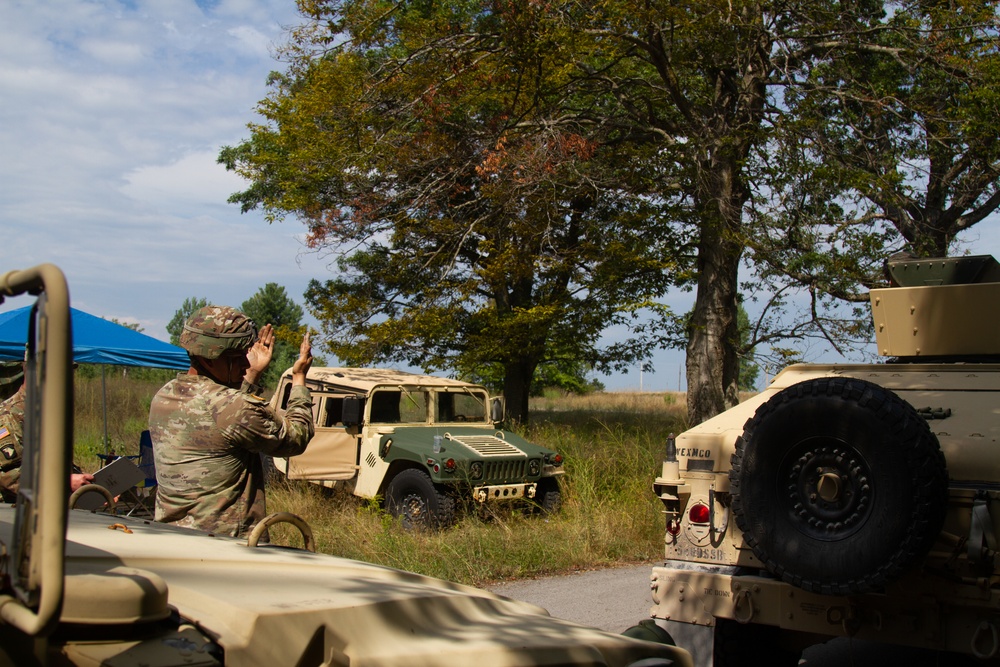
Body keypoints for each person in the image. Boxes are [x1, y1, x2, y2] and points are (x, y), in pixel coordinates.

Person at [149, 305, 314, 537]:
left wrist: (251, 377)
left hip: (171, 537)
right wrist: (299, 379)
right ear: (210, 358)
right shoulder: (232, 408)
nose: (246, 364)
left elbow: (224, 417)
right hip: (224, 548)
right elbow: (296, 437)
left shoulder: (164, 395)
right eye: (237, 358)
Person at [0, 367, 94, 503]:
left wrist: (87, 486)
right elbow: (10, 478)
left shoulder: (45, 412)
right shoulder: (10, 415)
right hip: (14, 514)